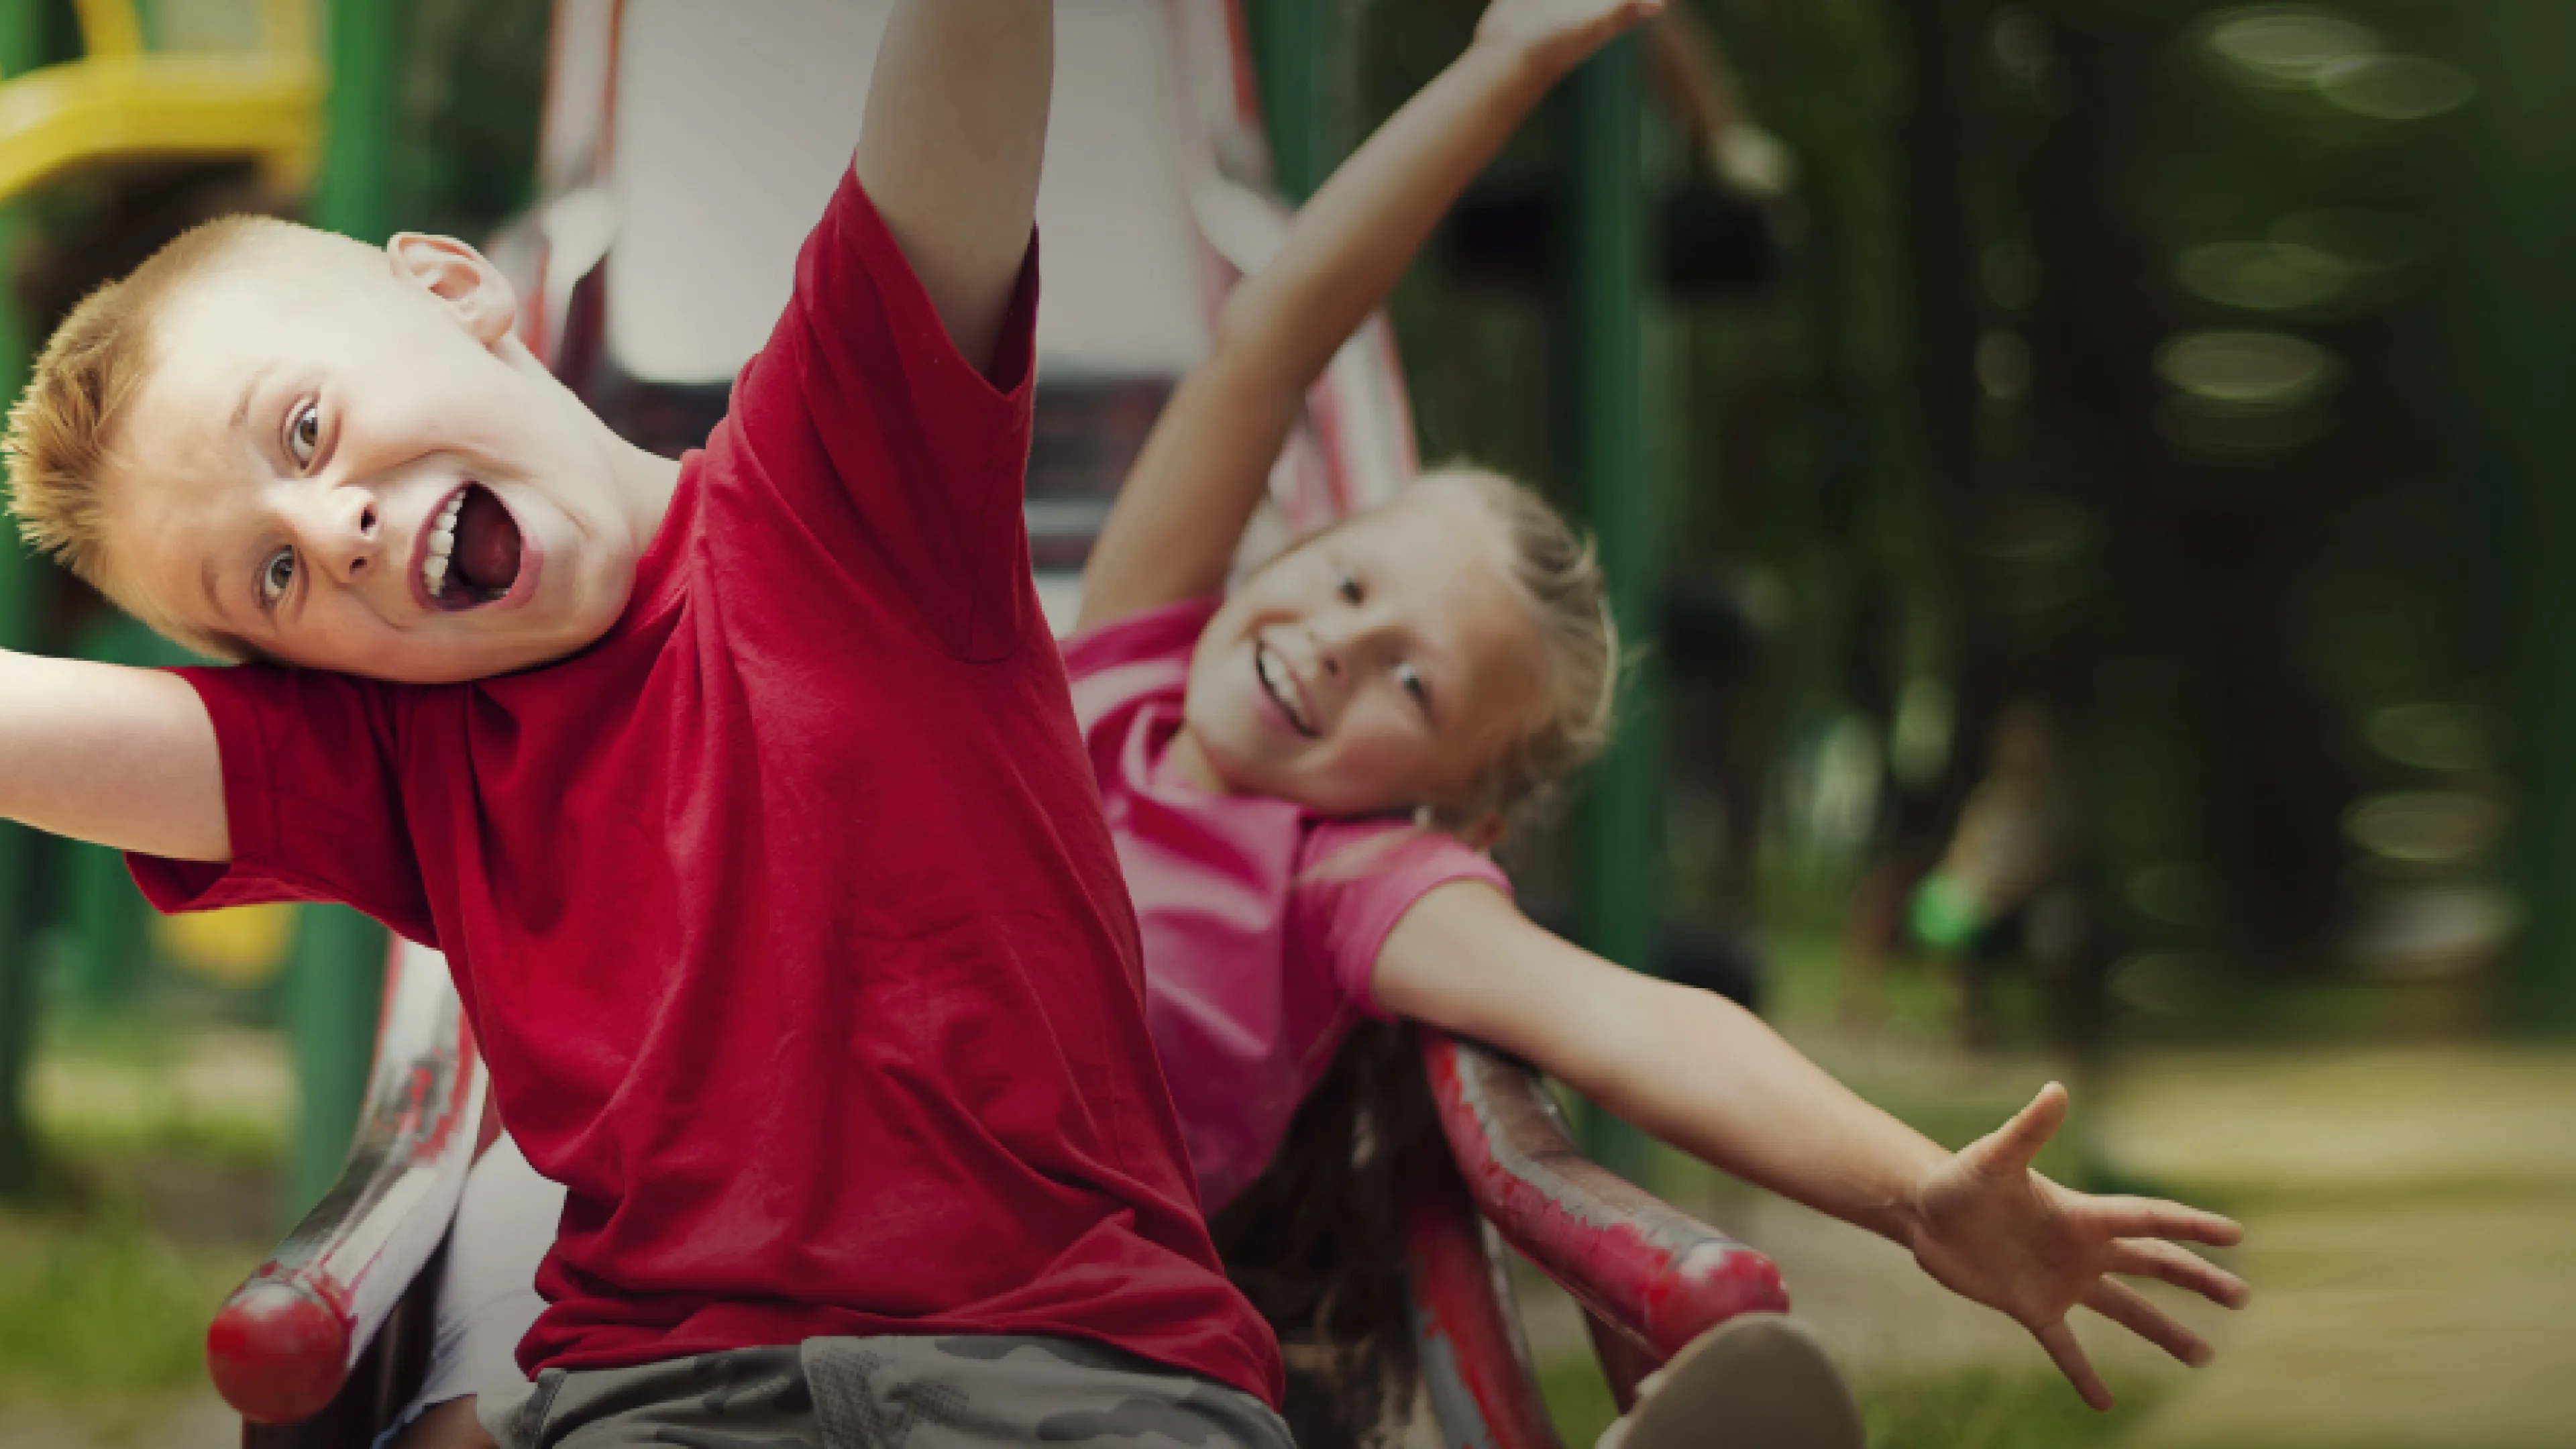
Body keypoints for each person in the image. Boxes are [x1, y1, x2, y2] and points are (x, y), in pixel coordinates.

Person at [386, 3, 2249, 1448]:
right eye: (1352, 584)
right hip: (750, 1248)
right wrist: (1503, 68)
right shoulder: (1115, 660)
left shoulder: (1357, 889)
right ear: (1292, 538)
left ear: (1446, 797)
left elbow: (1635, 1018)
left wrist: (1916, 1188)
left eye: (1414, 688)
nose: (1340, 651)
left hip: (1050, 1331)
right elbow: (1282, 326)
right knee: (509, 1253)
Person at [0, 5, 1295, 1448]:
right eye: (275, 576)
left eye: (302, 432)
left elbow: (966, 77)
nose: (335, 528)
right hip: (671, 1400)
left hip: (1074, 1368)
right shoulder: (408, 763)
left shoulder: (853, 474)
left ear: (449, 288)